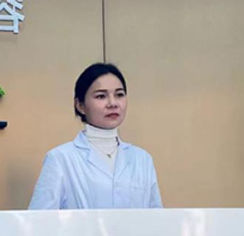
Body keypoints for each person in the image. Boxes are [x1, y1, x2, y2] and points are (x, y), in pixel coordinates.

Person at [28, 63, 163, 210]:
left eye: (119, 95)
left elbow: (157, 217)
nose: (113, 103)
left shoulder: (142, 159)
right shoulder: (60, 159)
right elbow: (39, 219)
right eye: (101, 96)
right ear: (80, 105)